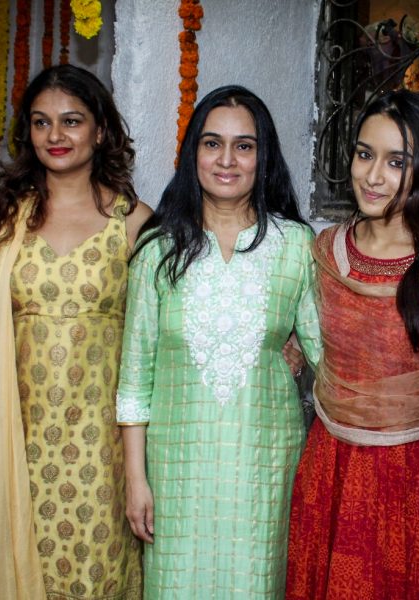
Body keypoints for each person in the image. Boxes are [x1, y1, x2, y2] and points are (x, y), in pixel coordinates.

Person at [115, 85, 322, 598]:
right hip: (176, 472)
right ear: (193, 155)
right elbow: (135, 378)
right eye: (212, 144)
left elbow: (330, 357)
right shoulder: (158, 251)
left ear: (263, 156)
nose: (227, 159)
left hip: (265, 466)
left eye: (244, 145)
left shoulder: (295, 246)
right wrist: (136, 479)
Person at [0, 64, 151, 600]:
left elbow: (161, 338)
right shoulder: (5, 220)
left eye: (71, 121)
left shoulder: (134, 223)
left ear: (100, 130)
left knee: (101, 577)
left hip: (105, 450)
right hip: (20, 440)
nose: (56, 136)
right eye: (41, 123)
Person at [286, 90, 419, 600]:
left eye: (397, 161)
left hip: (418, 477)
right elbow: (302, 338)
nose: (373, 176)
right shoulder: (325, 253)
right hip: (332, 464)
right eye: (364, 154)